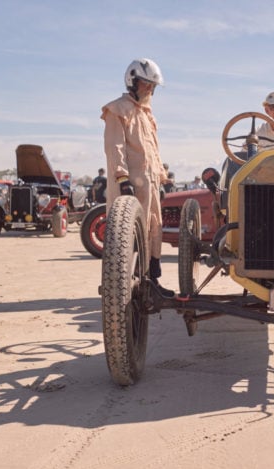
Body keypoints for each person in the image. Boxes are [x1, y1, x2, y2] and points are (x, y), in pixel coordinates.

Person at [101, 58, 173, 297]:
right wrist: (122, 178)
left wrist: (162, 178)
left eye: (153, 85)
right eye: (145, 84)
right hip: (130, 185)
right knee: (128, 236)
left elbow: (154, 150)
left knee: (154, 229)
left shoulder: (147, 115)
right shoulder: (118, 109)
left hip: (150, 184)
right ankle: (124, 286)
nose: (149, 89)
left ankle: (153, 282)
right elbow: (115, 147)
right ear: (132, 81)